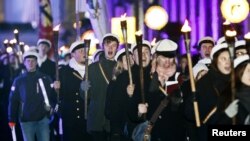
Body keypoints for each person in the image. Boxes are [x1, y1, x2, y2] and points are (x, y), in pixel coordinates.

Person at [185, 43, 232, 141]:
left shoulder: (236, 81)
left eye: (230, 58)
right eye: (223, 59)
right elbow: (190, 114)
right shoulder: (205, 83)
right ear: (215, 61)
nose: (228, 63)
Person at [8, 50, 56, 141]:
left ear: (37, 62)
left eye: (33, 60)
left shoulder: (45, 78)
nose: (31, 63)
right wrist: (11, 118)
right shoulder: (19, 81)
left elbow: (52, 96)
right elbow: (13, 101)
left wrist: (51, 111)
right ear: (24, 63)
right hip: (26, 121)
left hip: (43, 120)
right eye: (28, 61)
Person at [144, 39, 186, 141]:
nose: (168, 61)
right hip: (154, 133)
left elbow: (180, 109)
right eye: (164, 57)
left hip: (174, 133)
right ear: (156, 58)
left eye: (171, 58)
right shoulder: (148, 76)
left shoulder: (179, 77)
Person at [56, 40, 91, 141]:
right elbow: (58, 97)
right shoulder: (64, 72)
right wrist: (56, 89)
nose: (84, 53)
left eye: (85, 50)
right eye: (81, 51)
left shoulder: (92, 69)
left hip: (89, 119)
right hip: (70, 119)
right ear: (72, 54)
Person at [87, 33, 119, 141]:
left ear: (117, 48)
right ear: (102, 47)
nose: (110, 48)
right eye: (107, 45)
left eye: (113, 45)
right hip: (97, 117)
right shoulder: (92, 68)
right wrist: (84, 88)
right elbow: (85, 96)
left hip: (114, 119)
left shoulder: (121, 68)